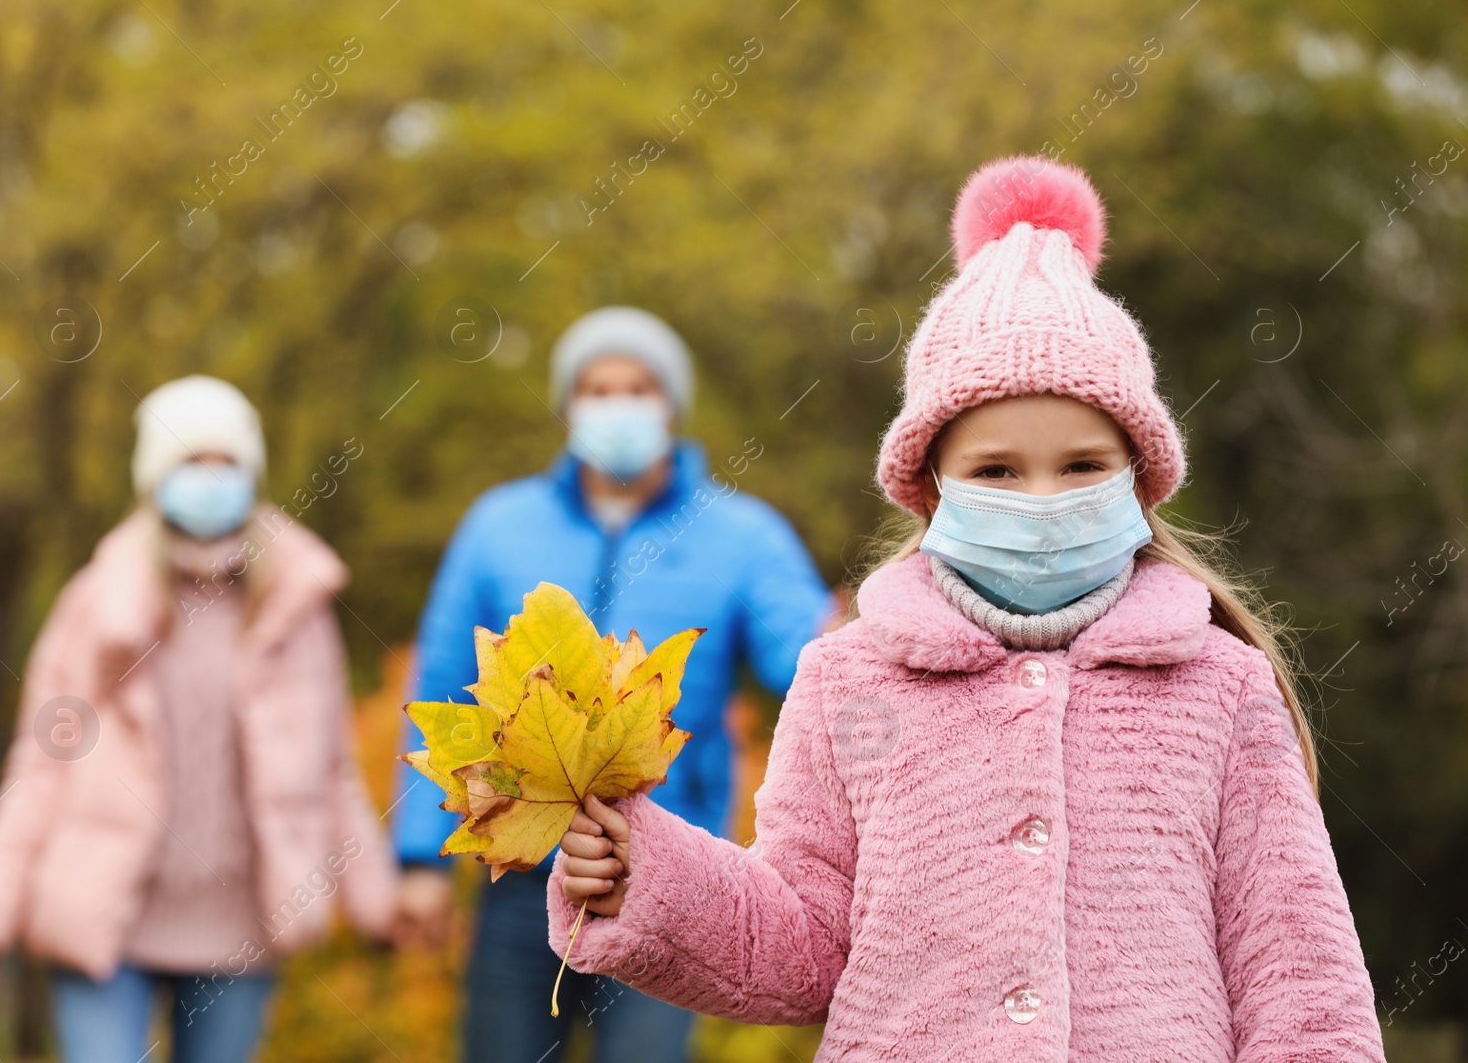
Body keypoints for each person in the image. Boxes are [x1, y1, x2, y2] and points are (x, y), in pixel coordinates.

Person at [548, 159, 1387, 1061]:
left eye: (1081, 467)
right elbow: (798, 944)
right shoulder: (848, 680)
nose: (1039, 497)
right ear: (931, 484)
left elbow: (1299, 973)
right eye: (995, 470)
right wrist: (650, 871)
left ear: (1141, 479)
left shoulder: (1222, 684)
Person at [392, 306, 836, 1063]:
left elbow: (813, 668)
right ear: (569, 405)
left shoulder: (744, 535)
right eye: (598, 388)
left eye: (638, 386)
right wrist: (415, 860)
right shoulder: (497, 526)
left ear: (670, 403)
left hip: (669, 869)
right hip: (520, 868)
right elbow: (438, 690)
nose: (618, 405)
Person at [0, 376, 398, 1063]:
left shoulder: (295, 609)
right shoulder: (94, 605)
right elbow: (39, 766)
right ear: (156, 476)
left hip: (241, 923)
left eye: (227, 463)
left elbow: (331, 768)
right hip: (104, 914)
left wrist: (376, 897)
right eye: (192, 461)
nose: (211, 480)